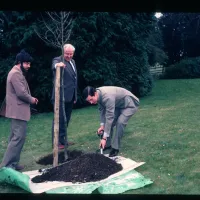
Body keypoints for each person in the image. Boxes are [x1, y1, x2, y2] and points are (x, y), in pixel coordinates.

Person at [0, 49, 38, 171]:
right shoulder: (15, 73)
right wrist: (32, 100)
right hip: (18, 111)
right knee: (18, 138)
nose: (28, 66)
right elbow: (21, 93)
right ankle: (6, 167)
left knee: (15, 138)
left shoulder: (16, 72)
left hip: (16, 111)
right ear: (20, 62)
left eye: (29, 63)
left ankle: (13, 164)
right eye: (27, 63)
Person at [82, 86, 139, 157]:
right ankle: (107, 145)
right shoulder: (99, 96)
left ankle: (115, 148)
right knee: (109, 124)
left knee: (120, 122)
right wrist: (102, 126)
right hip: (119, 105)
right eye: (88, 101)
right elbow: (102, 111)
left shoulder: (107, 97)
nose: (91, 102)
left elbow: (109, 117)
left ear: (95, 93)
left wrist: (104, 138)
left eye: (91, 99)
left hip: (130, 104)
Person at [51, 44, 77, 149]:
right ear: (63, 52)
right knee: (58, 119)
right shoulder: (58, 59)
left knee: (66, 120)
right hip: (60, 97)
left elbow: (74, 80)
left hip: (70, 96)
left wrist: (75, 96)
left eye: (71, 54)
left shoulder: (73, 62)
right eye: (67, 53)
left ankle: (63, 140)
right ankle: (56, 142)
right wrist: (58, 65)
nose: (69, 56)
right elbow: (54, 65)